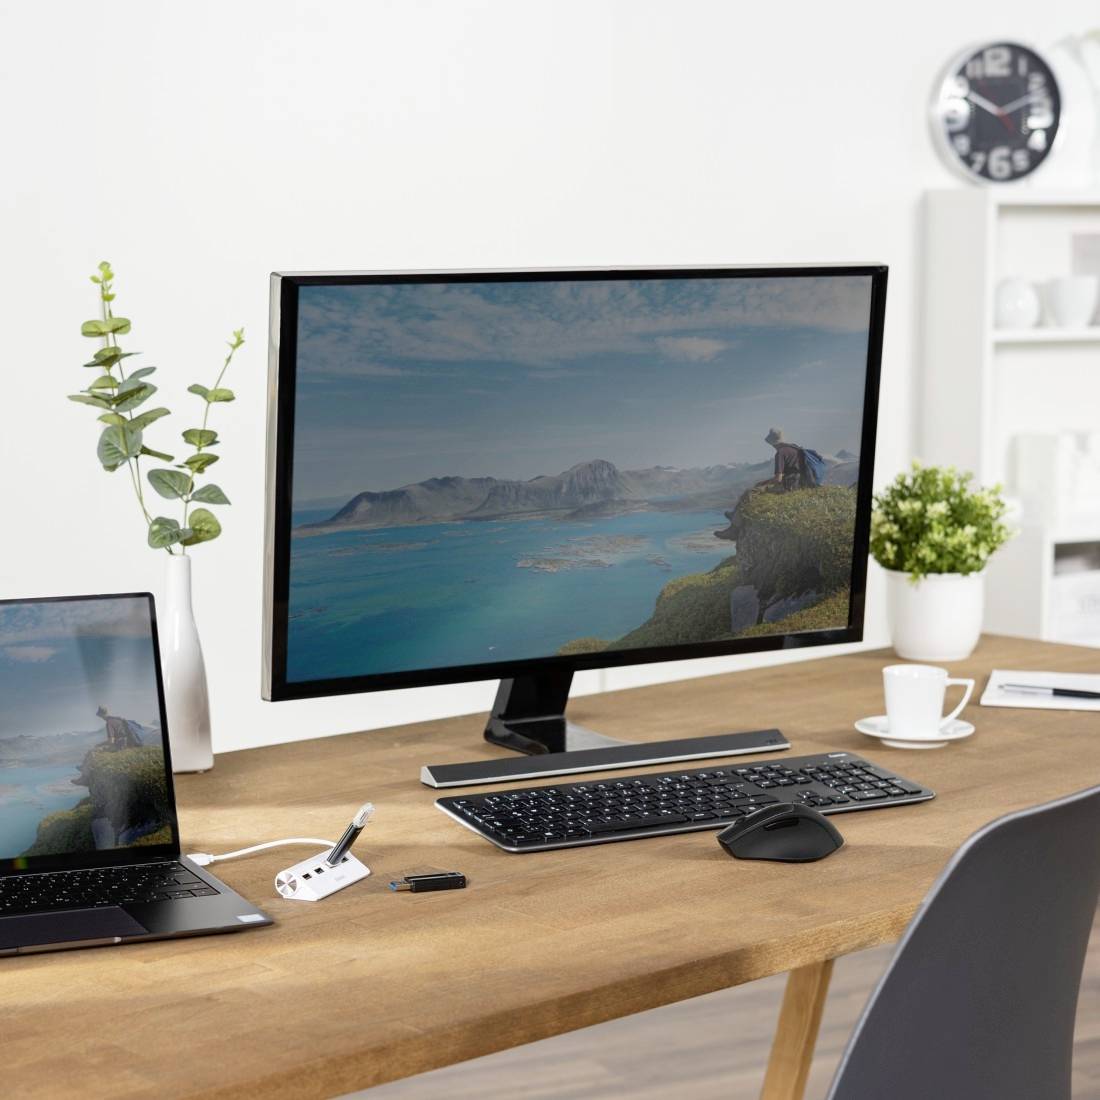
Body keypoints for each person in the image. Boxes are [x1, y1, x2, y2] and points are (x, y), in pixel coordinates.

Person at [755, 427, 818, 492]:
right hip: (804, 483)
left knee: (759, 491)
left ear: (773, 443)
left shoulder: (780, 453)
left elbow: (778, 479)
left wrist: (763, 483)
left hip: (791, 485)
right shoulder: (795, 448)